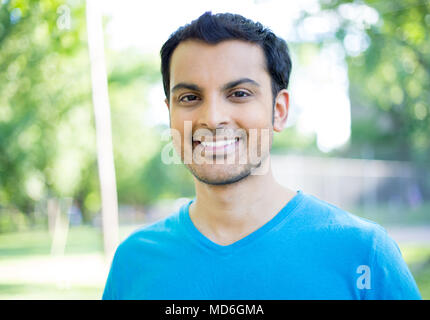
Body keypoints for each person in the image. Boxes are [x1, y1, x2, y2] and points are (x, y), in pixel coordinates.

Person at [102, 12, 421, 300]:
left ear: (279, 110)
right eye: (189, 97)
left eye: (239, 94)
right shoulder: (133, 262)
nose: (212, 118)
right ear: (170, 113)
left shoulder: (363, 253)